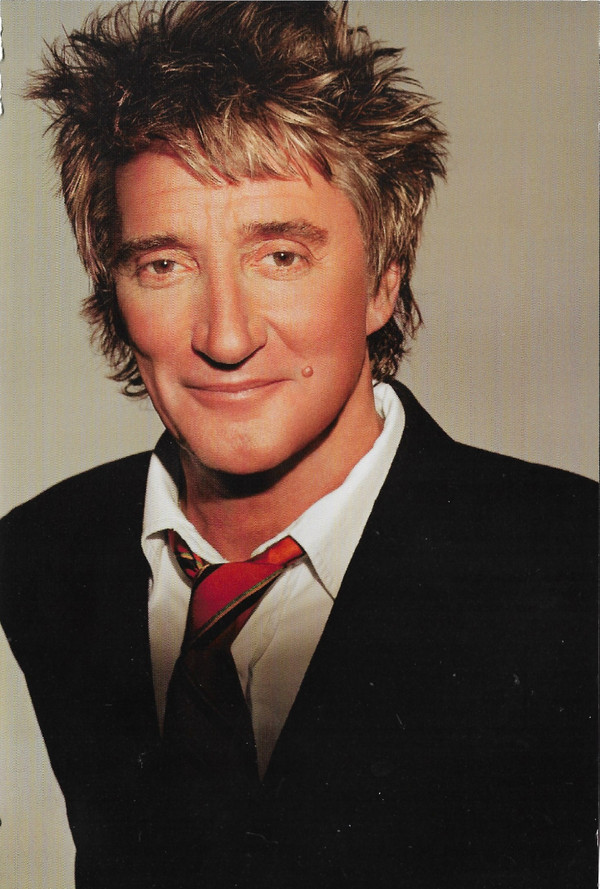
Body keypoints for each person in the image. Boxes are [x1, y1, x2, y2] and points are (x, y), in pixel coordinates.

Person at [0, 2, 596, 888]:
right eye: (164, 264)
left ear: (384, 279)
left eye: (280, 255)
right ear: (113, 292)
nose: (226, 336)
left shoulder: (572, 561)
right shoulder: (45, 553)